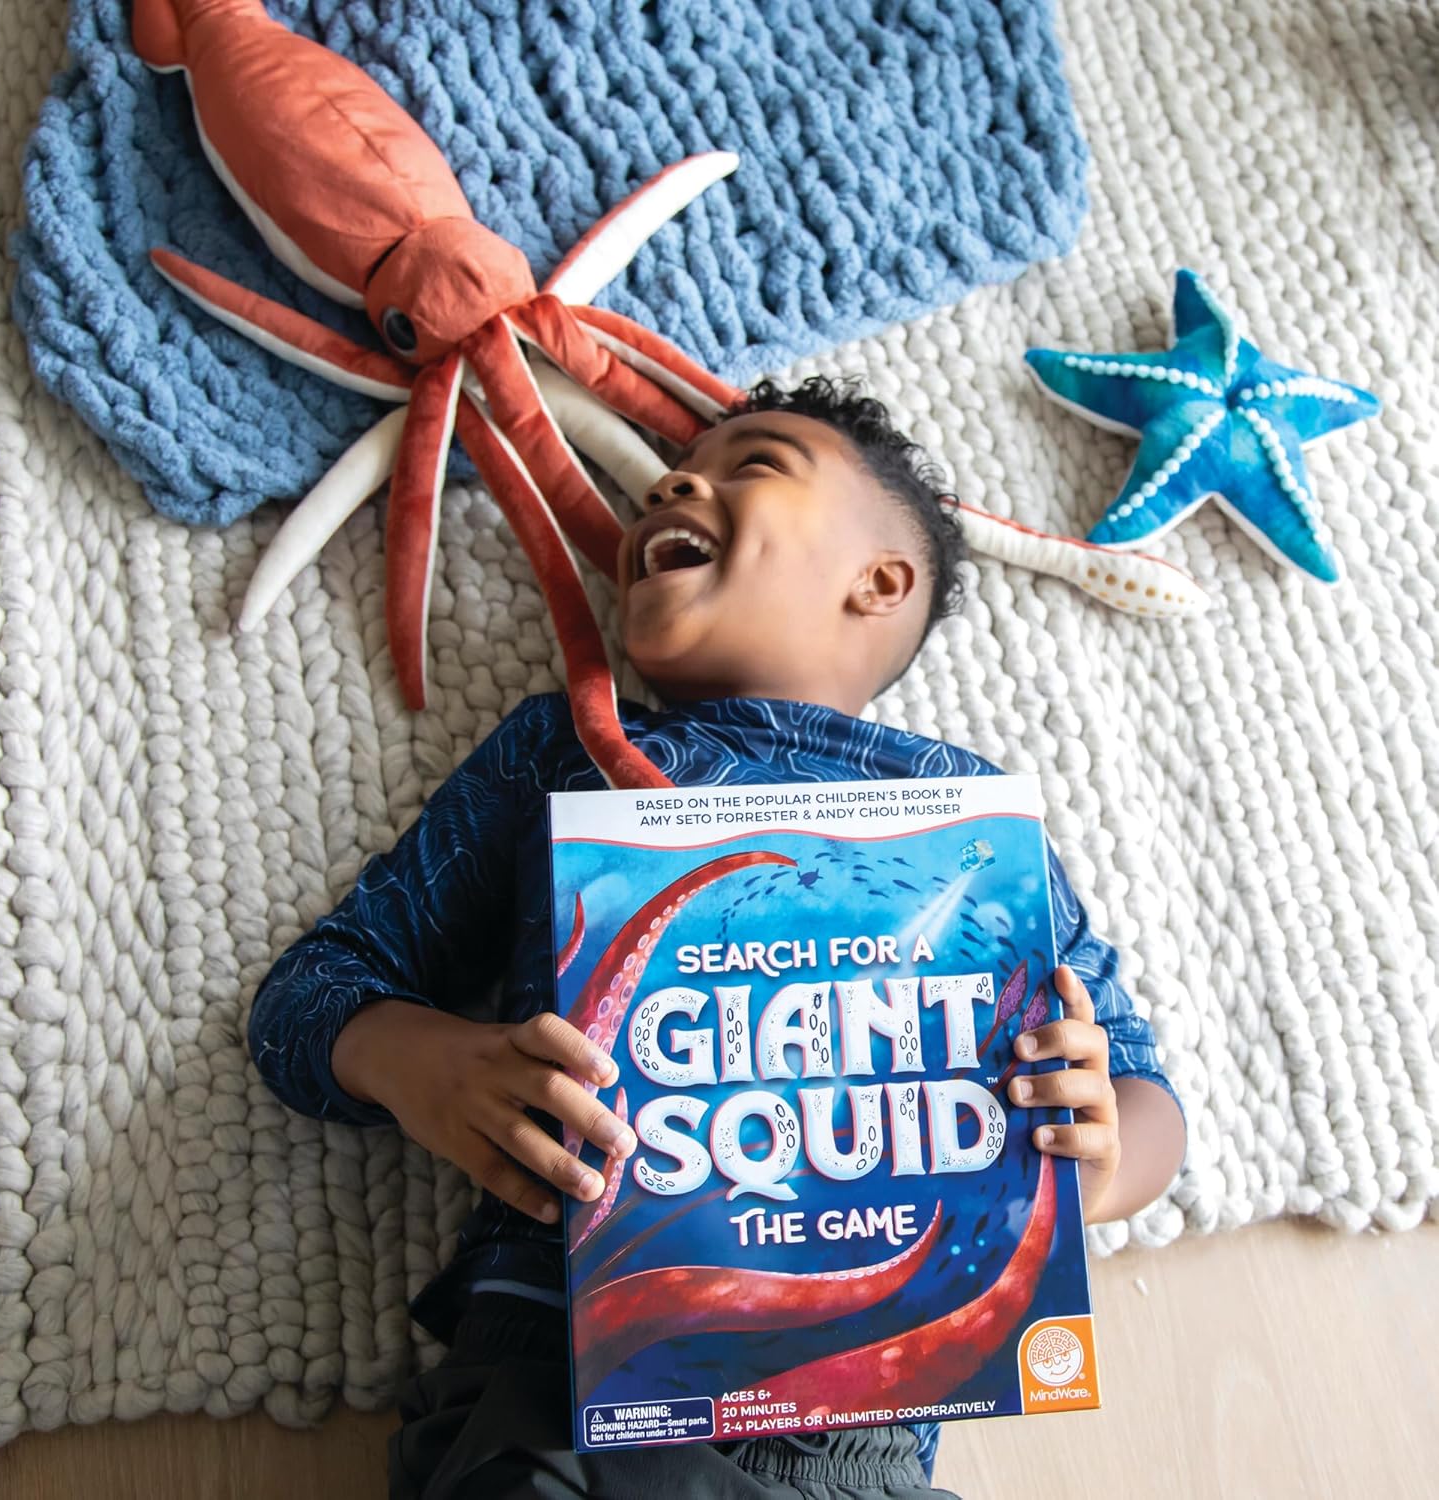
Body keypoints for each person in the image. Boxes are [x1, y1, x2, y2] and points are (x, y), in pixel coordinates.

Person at [249, 377, 1188, 1499]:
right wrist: (425, 1068)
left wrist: (1096, 1159)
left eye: (756, 463)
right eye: (673, 476)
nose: (675, 483)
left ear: (879, 582)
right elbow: (307, 999)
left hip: (860, 1423)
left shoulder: (966, 809)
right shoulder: (563, 753)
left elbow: (1144, 1093)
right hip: (557, 1378)